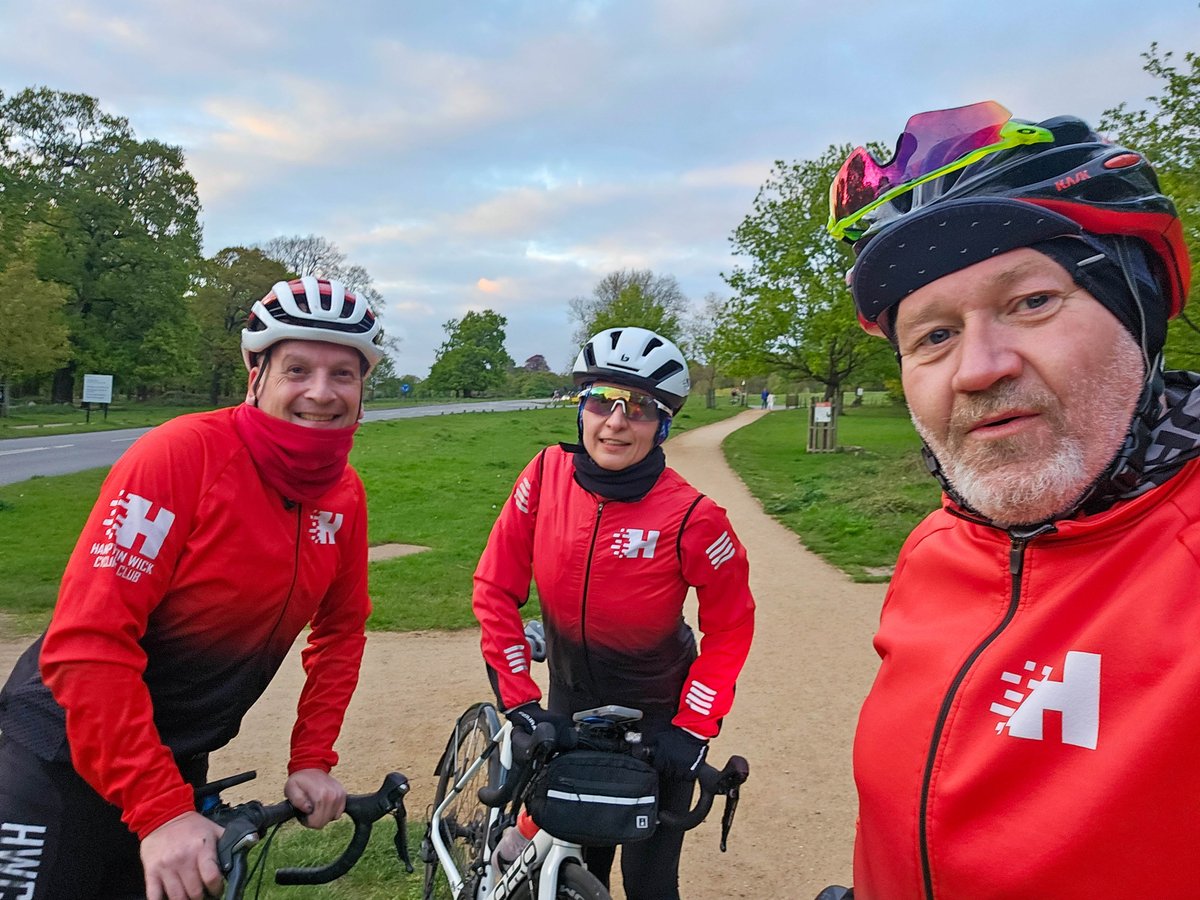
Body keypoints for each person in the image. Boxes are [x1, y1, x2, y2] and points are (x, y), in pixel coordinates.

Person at [817, 101, 1195, 899]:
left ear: (1138, 309)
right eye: (933, 335)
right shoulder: (935, 547)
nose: (977, 368)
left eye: (1031, 302)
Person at [0, 277, 384, 900]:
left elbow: (341, 631)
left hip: (178, 760)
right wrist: (158, 809)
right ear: (255, 373)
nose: (321, 392)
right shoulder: (181, 456)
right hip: (61, 756)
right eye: (297, 368)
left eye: (343, 373)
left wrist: (312, 756)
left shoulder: (344, 495)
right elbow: (87, 641)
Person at [473, 326, 755, 900]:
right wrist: (521, 700)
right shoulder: (545, 474)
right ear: (583, 408)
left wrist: (694, 728)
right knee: (582, 859)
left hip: (657, 717)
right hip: (567, 701)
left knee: (651, 884)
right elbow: (495, 588)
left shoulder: (695, 517)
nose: (616, 422)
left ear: (663, 424)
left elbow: (730, 627)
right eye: (603, 401)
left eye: (641, 409)